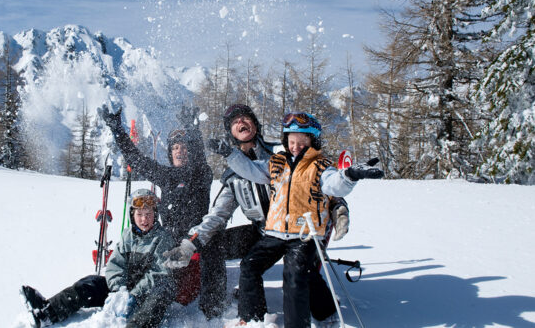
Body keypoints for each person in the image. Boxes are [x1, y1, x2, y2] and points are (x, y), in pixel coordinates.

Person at [163, 104, 350, 326]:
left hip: (301, 229)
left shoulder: (282, 152)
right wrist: (190, 244)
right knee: (214, 243)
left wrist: (338, 206)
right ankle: (228, 311)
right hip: (263, 232)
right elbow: (216, 216)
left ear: (255, 124)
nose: (240, 122)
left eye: (245, 118)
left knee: (303, 271)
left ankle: (326, 314)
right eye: (234, 122)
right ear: (230, 133)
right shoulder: (232, 176)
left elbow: (319, 178)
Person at [209, 111, 383, 328]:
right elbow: (251, 171)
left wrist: (349, 176)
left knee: (294, 277)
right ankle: (253, 319)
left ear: (312, 141)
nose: (296, 147)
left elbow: (333, 185)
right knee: (249, 266)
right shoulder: (277, 162)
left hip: (304, 234)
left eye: (302, 142)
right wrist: (230, 154)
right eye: (291, 142)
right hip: (274, 232)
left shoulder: (319, 166)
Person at [97, 104, 226, 319]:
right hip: (171, 240)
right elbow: (136, 160)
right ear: (169, 153)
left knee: (215, 245)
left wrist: (192, 130)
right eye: (175, 147)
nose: (180, 151)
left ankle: (213, 313)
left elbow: (200, 160)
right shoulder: (165, 176)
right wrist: (117, 130)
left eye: (184, 147)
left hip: (199, 238)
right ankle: (127, 295)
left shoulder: (200, 174)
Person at [20, 189, 176, 328]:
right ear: (132, 215)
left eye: (148, 214)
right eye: (139, 214)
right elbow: (115, 264)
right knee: (91, 283)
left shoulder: (163, 238)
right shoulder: (128, 235)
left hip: (146, 293)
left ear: (155, 215)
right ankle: (47, 312)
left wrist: (133, 294)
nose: (144, 219)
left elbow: (158, 273)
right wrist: (118, 290)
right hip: (124, 288)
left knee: (159, 296)